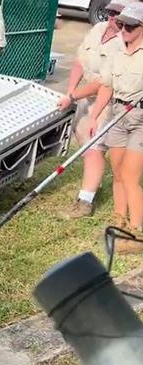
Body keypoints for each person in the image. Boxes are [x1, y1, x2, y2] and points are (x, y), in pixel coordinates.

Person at [56, 0, 130, 220]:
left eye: (118, 14)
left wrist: (71, 96)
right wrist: (70, 91)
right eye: (110, 11)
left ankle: (85, 201)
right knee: (85, 143)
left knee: (93, 148)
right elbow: (80, 62)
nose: (112, 17)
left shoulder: (125, 42)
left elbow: (104, 84)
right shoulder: (98, 29)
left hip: (107, 102)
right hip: (84, 99)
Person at [85, 2, 143, 253]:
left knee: (131, 176)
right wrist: (94, 117)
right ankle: (119, 220)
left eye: (130, 26)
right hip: (118, 115)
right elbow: (106, 86)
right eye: (121, 24)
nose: (124, 29)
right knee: (118, 173)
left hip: (140, 118)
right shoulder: (118, 51)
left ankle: (135, 231)